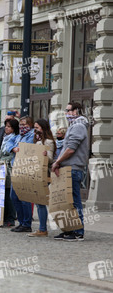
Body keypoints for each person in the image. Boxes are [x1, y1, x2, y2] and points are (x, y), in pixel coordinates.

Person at [52, 102, 89, 242]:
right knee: (67, 202)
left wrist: (57, 162)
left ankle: (78, 231)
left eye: (68, 111)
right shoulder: (73, 126)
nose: (66, 113)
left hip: (73, 168)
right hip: (68, 168)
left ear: (76, 111)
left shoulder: (78, 126)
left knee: (74, 201)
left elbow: (71, 149)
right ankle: (69, 229)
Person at [28, 119, 56, 237]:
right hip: (37, 172)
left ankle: (43, 228)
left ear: (43, 128)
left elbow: (50, 159)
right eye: (34, 127)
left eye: (37, 127)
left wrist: (44, 154)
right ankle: (42, 228)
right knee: (39, 202)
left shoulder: (48, 142)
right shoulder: (38, 140)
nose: (35, 129)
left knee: (41, 202)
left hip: (45, 174)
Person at [9, 116, 35, 233]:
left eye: (25, 125)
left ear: (30, 125)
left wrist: (17, 148)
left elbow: (26, 149)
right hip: (15, 168)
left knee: (25, 198)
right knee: (14, 196)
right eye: (21, 125)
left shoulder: (32, 135)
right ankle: (21, 222)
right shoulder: (18, 136)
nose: (22, 127)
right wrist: (13, 148)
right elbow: (7, 145)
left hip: (26, 168)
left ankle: (26, 223)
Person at [0, 119, 20, 227]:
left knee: (9, 193)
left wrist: (3, 160)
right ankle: (3, 217)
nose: (6, 128)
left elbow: (13, 154)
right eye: (6, 126)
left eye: (9, 126)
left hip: (9, 168)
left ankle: (10, 218)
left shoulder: (15, 138)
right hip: (1, 167)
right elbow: (1, 151)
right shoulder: (5, 138)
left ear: (14, 128)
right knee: (2, 193)